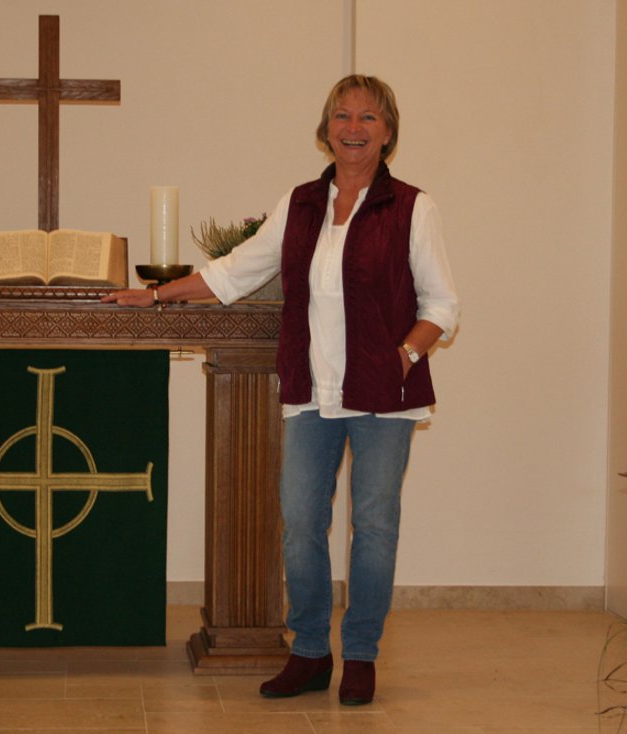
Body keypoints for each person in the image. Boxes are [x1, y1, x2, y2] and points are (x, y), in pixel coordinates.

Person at [103, 74, 459, 706]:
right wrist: (155, 295)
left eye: (368, 117)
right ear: (326, 130)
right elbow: (234, 273)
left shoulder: (412, 207)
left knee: (374, 527)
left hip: (386, 396)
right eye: (342, 116)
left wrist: (403, 358)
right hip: (312, 392)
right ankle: (311, 652)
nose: (354, 128)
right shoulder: (299, 204)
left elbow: (442, 306)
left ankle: (362, 656)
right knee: (300, 524)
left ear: (387, 132)